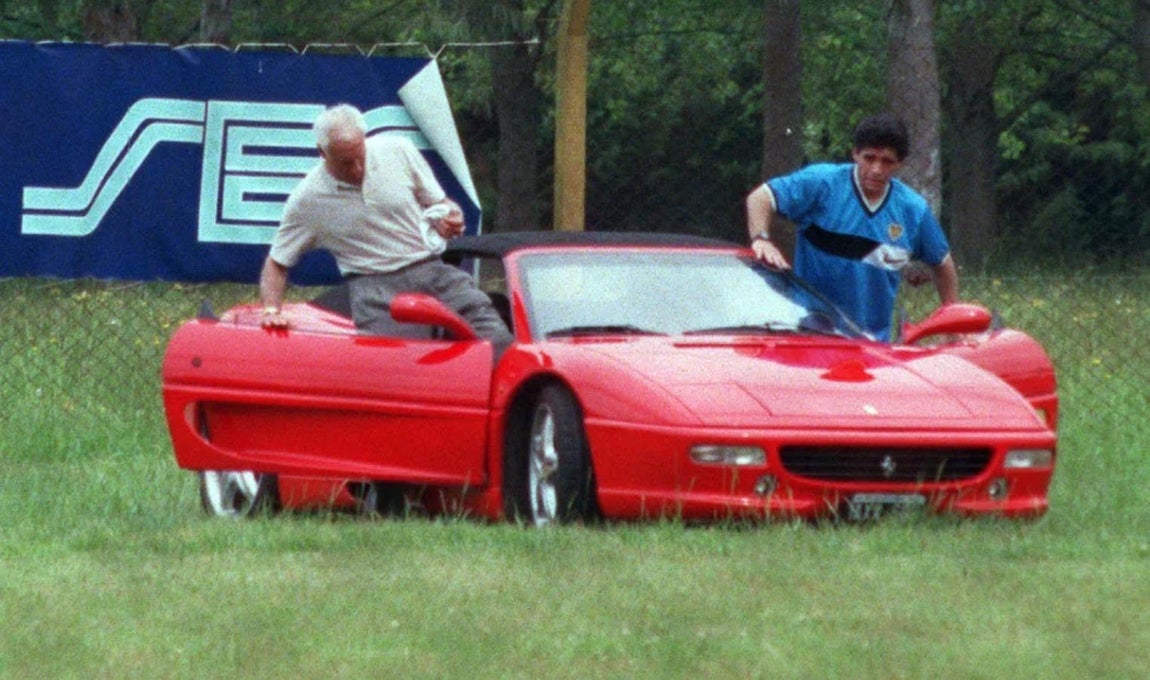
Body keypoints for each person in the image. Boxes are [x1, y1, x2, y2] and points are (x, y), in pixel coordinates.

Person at [258, 104, 512, 356]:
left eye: (360, 156)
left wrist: (449, 217)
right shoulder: (306, 200)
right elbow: (277, 263)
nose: (356, 169)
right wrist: (271, 311)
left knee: (497, 339)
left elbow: (440, 204)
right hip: (375, 290)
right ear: (322, 153)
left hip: (432, 270)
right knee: (399, 363)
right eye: (346, 163)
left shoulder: (398, 150)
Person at [745, 112, 959, 341]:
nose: (876, 169)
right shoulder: (822, 184)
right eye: (869, 158)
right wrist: (761, 238)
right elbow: (760, 198)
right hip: (809, 336)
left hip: (872, 344)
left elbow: (943, 265)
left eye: (886, 161)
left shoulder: (913, 210)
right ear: (855, 154)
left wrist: (952, 331)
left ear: (899, 164)